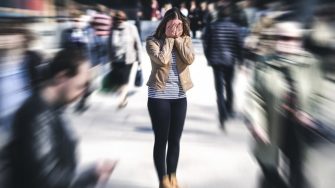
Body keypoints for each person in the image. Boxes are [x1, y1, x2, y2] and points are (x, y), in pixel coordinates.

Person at [8, 48, 117, 188]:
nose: (84, 92)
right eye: (82, 85)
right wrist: (91, 174)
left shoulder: (53, 109)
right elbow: (47, 181)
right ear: (62, 77)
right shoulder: (37, 116)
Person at [146, 7, 195, 188]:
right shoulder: (153, 41)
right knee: (162, 139)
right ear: (165, 24)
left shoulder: (186, 40)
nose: (176, 28)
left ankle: (173, 176)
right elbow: (162, 59)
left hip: (180, 97)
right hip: (159, 96)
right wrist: (168, 38)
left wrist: (179, 40)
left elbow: (189, 59)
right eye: (172, 25)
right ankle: (163, 180)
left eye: (179, 25)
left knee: (175, 139)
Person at [202, 4, 243, 129]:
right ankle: (229, 109)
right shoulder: (235, 28)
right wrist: (241, 60)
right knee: (229, 86)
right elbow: (239, 46)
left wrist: (208, 57)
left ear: (218, 14)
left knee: (219, 90)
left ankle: (222, 115)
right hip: (230, 61)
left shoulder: (212, 27)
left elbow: (206, 43)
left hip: (216, 61)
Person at [108, 10, 142, 108]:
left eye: (120, 20)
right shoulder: (112, 29)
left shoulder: (131, 28)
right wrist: (110, 60)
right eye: (117, 20)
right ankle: (124, 97)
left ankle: (121, 100)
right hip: (115, 60)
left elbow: (137, 44)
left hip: (128, 59)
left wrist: (140, 60)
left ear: (124, 19)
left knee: (125, 81)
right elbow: (109, 46)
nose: (119, 22)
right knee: (119, 81)